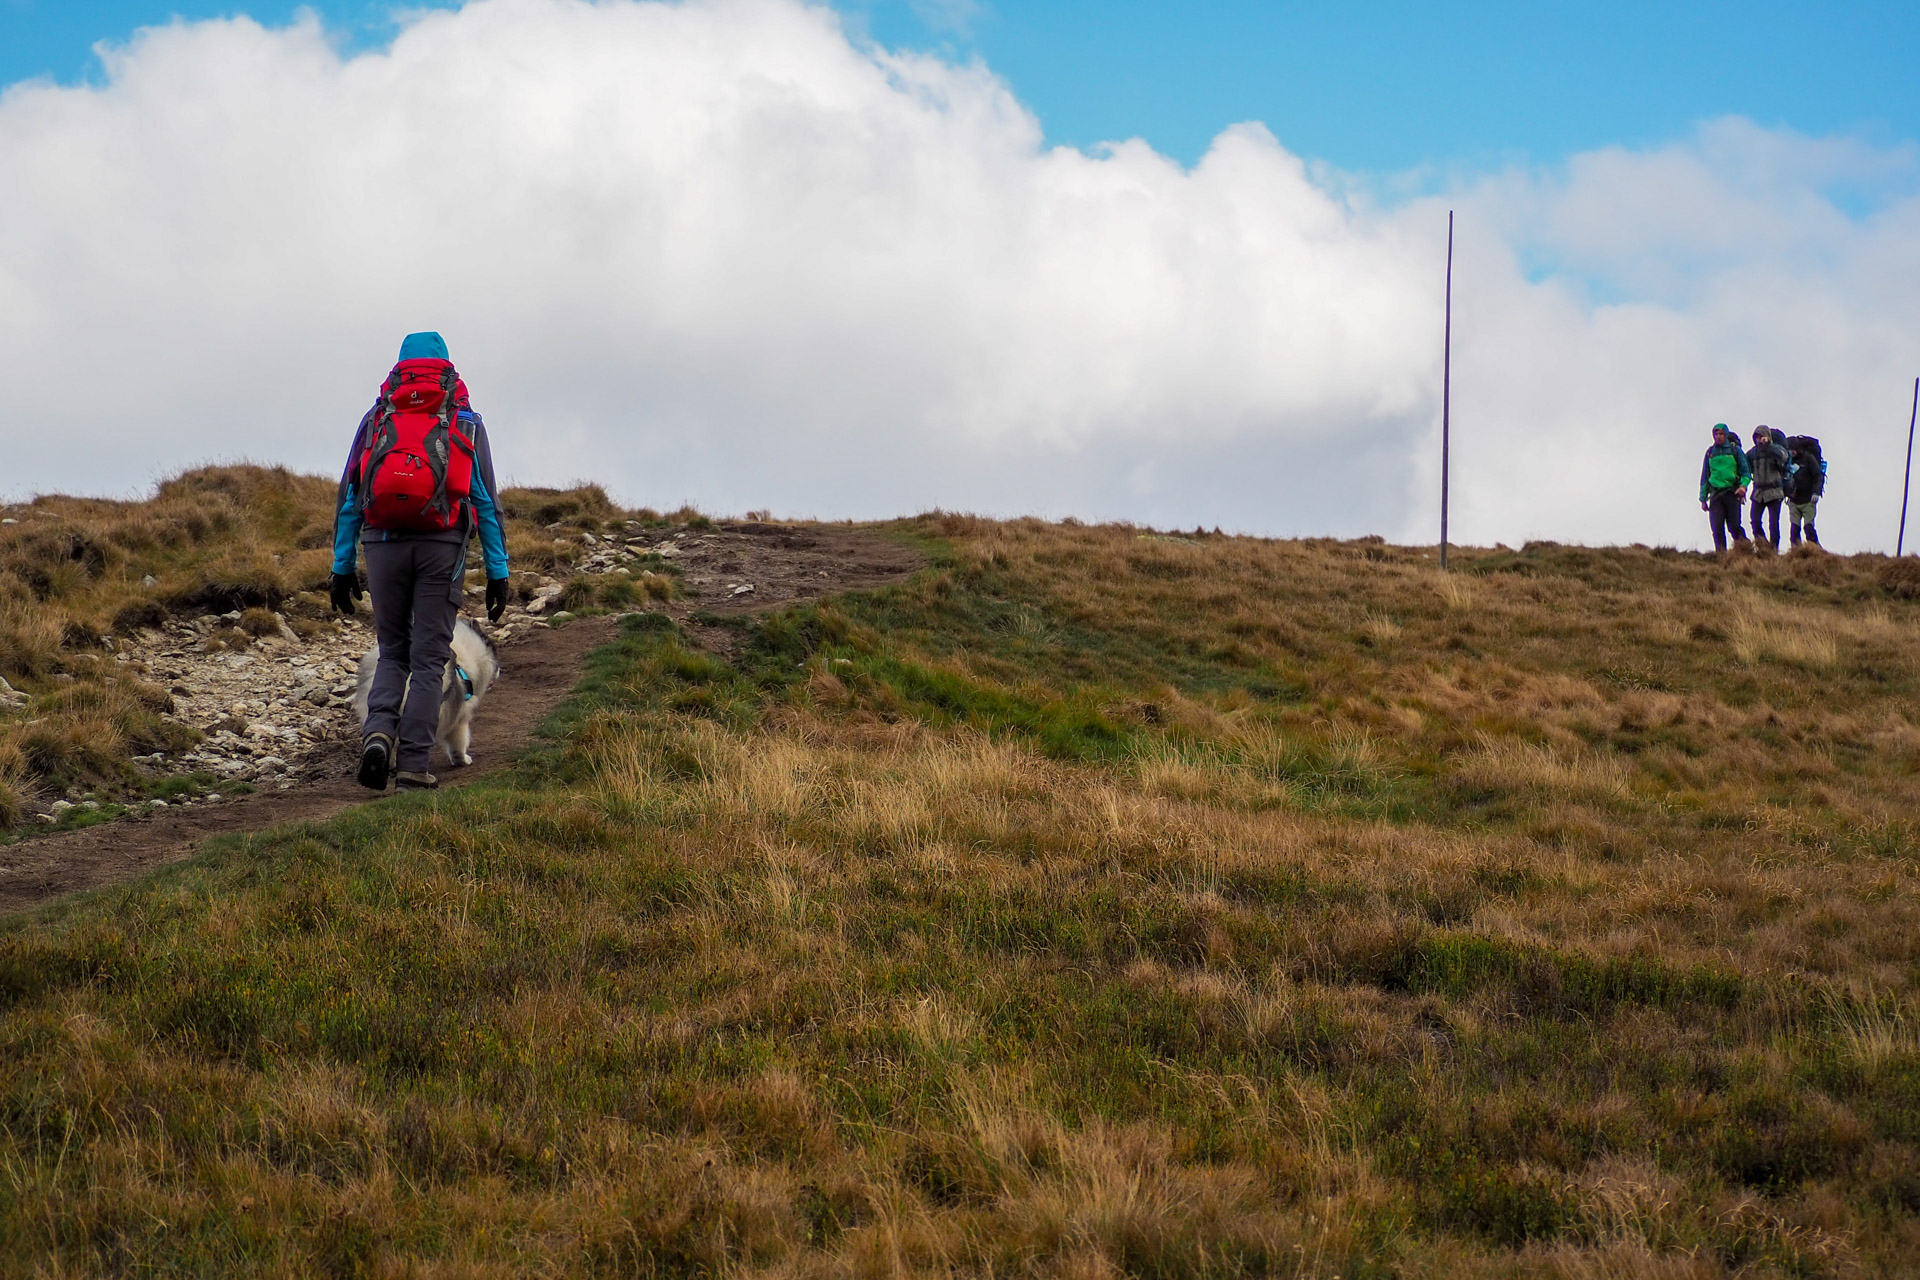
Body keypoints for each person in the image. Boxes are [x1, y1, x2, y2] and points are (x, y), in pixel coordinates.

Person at [330, 332, 511, 791]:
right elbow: (485, 500)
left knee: (393, 651)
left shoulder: (376, 417)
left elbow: (351, 494)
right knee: (430, 659)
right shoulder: (464, 418)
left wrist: (342, 564)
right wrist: (498, 571)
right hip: (441, 545)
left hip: (383, 543)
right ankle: (412, 763)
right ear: (448, 369)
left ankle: (376, 738)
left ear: (400, 368)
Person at [1699, 423, 1751, 552]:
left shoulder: (1735, 450)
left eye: (1721, 434)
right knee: (1717, 528)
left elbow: (1746, 472)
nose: (1718, 437)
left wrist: (1743, 486)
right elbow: (1705, 475)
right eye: (1716, 434)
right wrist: (1703, 499)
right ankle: (1721, 556)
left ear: (1726, 435)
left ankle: (1745, 551)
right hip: (1716, 495)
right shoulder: (1710, 453)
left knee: (1734, 526)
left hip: (1732, 493)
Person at [1746, 426, 1790, 552]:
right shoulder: (1753, 453)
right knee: (1754, 521)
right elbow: (1744, 464)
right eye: (1757, 437)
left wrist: (1768, 446)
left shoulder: (1777, 449)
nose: (1759, 440)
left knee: (1773, 523)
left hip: (1775, 492)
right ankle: (1763, 547)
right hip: (1758, 493)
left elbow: (1783, 458)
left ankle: (1774, 549)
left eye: (1761, 436)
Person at [1787, 435, 1826, 547]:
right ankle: (1795, 553)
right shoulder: (1787, 461)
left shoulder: (1808, 458)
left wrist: (1816, 493)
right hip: (1794, 501)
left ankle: (1815, 550)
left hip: (1809, 500)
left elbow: (1818, 476)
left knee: (1808, 528)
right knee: (1794, 530)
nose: (1791, 452)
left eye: (1792, 449)